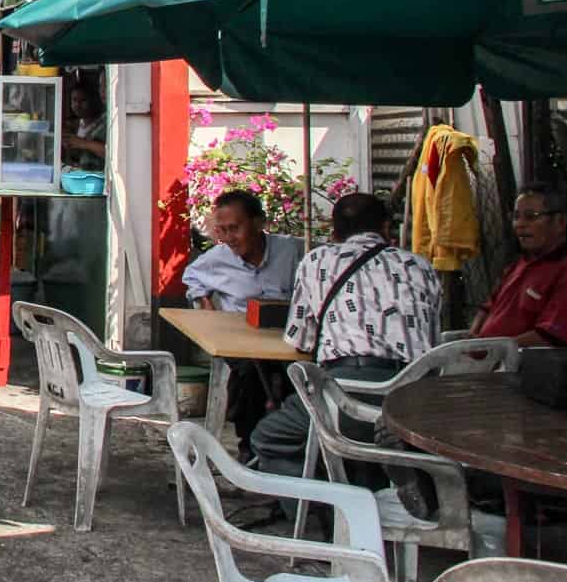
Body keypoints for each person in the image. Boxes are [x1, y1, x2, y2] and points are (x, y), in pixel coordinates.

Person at [251, 193, 440, 479]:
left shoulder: (317, 261)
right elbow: (432, 341)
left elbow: (300, 340)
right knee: (363, 430)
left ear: (333, 230)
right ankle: (397, 471)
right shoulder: (419, 266)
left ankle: (328, 512)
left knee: (269, 437)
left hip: (348, 395)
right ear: (386, 227)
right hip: (416, 402)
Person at [181, 188, 303, 458]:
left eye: (234, 229)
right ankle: (250, 449)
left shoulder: (291, 251)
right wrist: (204, 301)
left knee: (301, 377)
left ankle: (293, 449)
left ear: (259, 222)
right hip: (241, 344)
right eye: (222, 231)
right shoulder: (218, 258)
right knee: (249, 375)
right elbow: (191, 277)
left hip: (287, 339)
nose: (228, 239)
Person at [468, 183, 567, 347]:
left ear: (560, 222)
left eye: (531, 216)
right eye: (516, 216)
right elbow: (487, 307)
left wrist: (491, 350)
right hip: (488, 360)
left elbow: (551, 337)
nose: (520, 224)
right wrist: (473, 340)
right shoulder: (520, 263)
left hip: (528, 367)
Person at [62, 81, 107, 171]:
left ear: (94, 100)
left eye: (83, 100)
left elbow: (111, 153)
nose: (78, 105)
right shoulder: (73, 125)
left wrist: (83, 143)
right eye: (74, 100)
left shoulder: (103, 125)